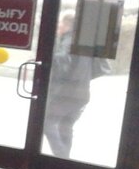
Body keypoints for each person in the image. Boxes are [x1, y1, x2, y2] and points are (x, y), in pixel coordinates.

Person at [43, 12, 108, 158]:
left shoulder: (69, 41)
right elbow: (99, 68)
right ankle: (65, 161)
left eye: (60, 23)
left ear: (66, 25)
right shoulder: (85, 42)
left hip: (67, 93)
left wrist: (46, 58)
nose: (58, 26)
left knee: (47, 123)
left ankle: (61, 158)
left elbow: (63, 61)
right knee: (66, 127)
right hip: (82, 93)